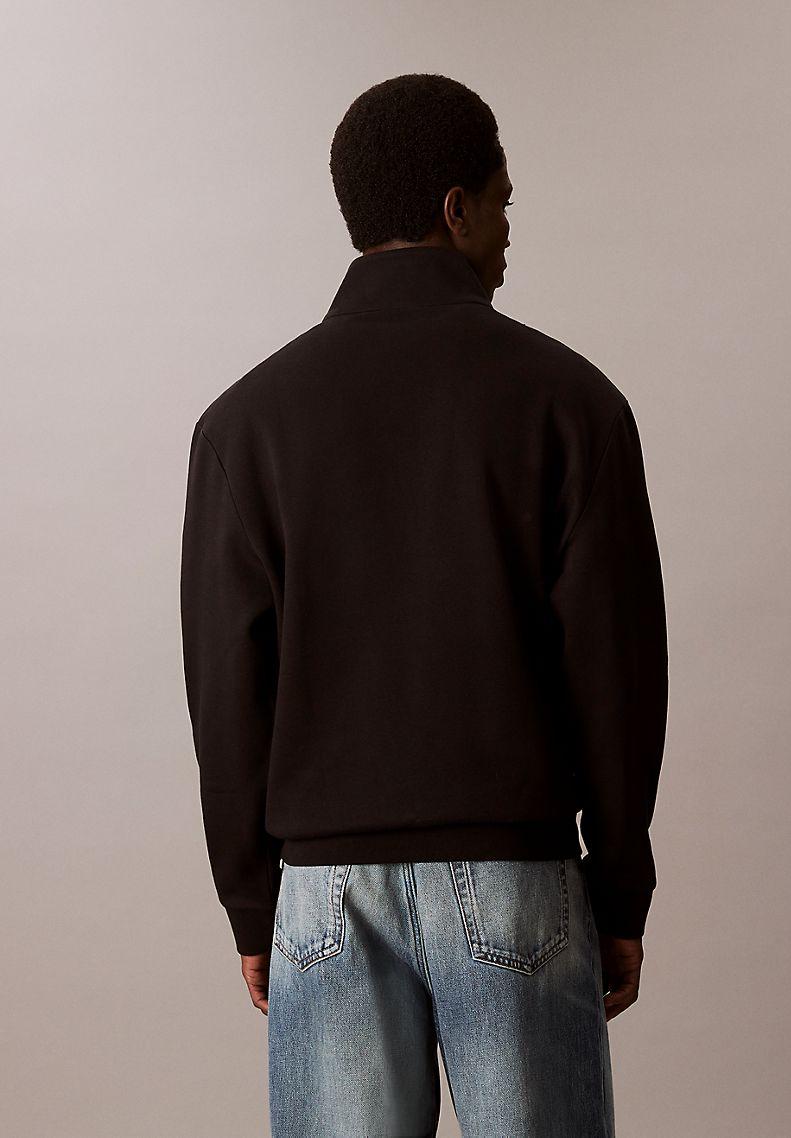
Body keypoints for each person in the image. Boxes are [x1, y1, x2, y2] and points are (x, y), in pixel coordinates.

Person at [180, 72, 668, 1137]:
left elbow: (226, 690)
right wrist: (621, 885)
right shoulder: (573, 405)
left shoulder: (244, 426)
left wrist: (251, 900)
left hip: (324, 894)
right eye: (501, 203)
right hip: (520, 876)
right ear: (456, 209)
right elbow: (616, 672)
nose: (509, 230)